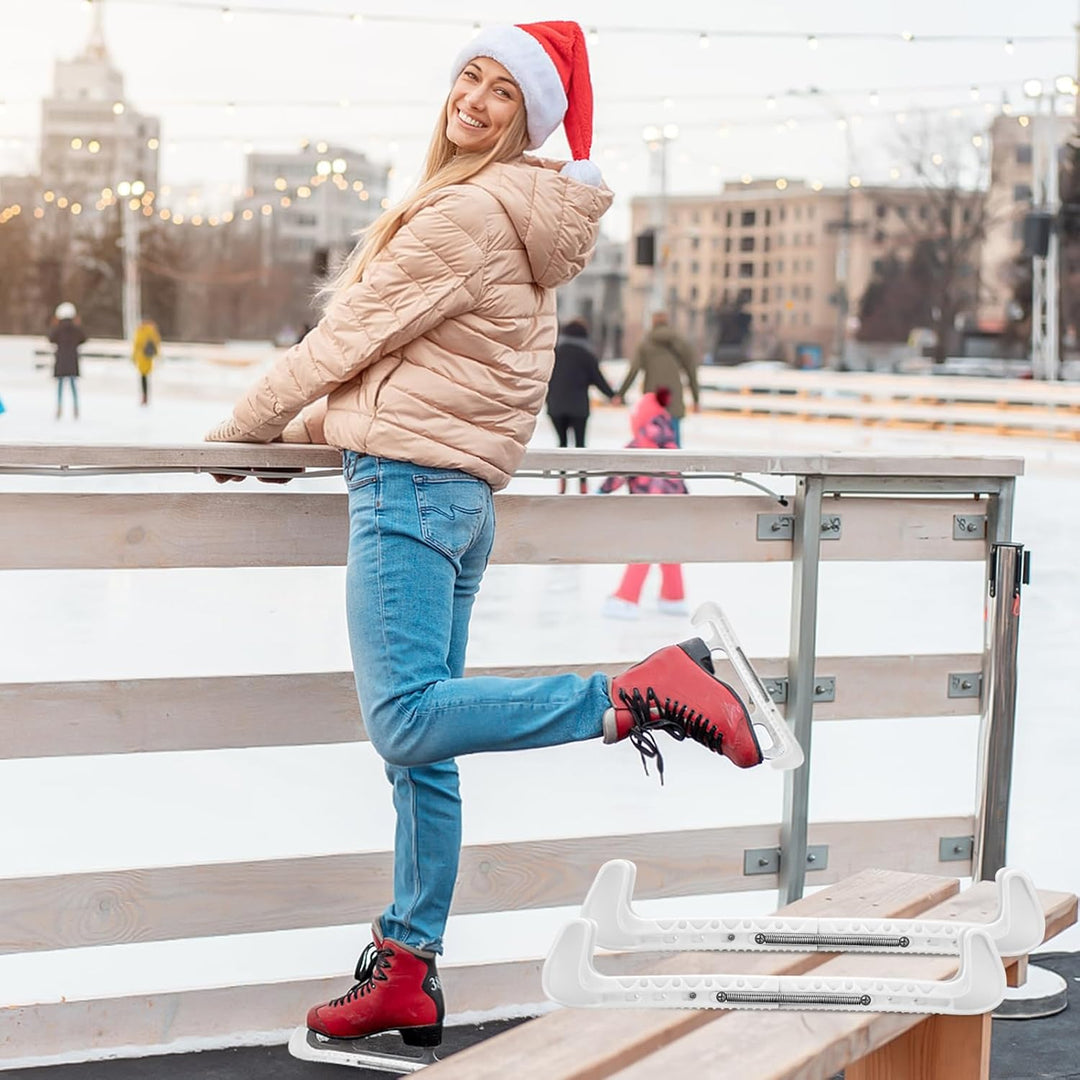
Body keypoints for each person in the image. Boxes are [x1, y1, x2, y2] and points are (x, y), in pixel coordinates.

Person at [205, 20, 764, 1056]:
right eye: (469, 76)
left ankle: (640, 688)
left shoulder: (464, 212)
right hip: (451, 499)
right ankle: (406, 974)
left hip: (411, 496)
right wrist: (304, 430)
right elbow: (421, 377)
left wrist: (242, 426)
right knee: (429, 753)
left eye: (504, 90)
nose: (474, 97)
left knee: (409, 721)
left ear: (527, 122)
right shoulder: (516, 221)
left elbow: (347, 339)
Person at [599, 387, 689, 619]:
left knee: (642, 552)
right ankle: (674, 597)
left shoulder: (638, 444)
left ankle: (626, 599)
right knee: (670, 552)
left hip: (647, 509)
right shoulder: (671, 444)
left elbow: (617, 474)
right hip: (673, 509)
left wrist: (602, 491)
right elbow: (678, 478)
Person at [546, 315, 618, 492]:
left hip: (556, 406)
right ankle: (583, 484)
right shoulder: (586, 355)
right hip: (578, 408)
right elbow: (598, 379)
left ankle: (562, 483)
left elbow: (544, 377)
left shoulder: (555, 352)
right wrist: (613, 396)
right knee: (580, 446)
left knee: (562, 444)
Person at [617, 310, 700, 446]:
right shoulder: (681, 343)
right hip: (673, 397)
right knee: (673, 442)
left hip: (652, 398)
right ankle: (674, 466)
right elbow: (691, 371)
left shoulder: (645, 344)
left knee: (651, 440)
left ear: (653, 323)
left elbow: (633, 371)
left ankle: (653, 466)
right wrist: (696, 399)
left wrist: (620, 394)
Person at [48, 302, 86, 420]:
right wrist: (79, 325)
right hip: (73, 361)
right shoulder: (75, 329)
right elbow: (84, 338)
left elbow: (51, 338)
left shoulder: (58, 329)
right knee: (73, 385)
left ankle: (59, 407)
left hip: (60, 361)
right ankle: (76, 407)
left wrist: (53, 325)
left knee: (60, 386)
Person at [132, 319, 161, 405]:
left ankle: (144, 395)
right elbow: (156, 343)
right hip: (149, 357)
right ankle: (146, 395)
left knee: (143, 376)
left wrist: (133, 357)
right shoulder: (152, 331)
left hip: (141, 357)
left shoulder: (140, 331)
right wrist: (157, 355)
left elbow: (136, 345)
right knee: (146, 376)